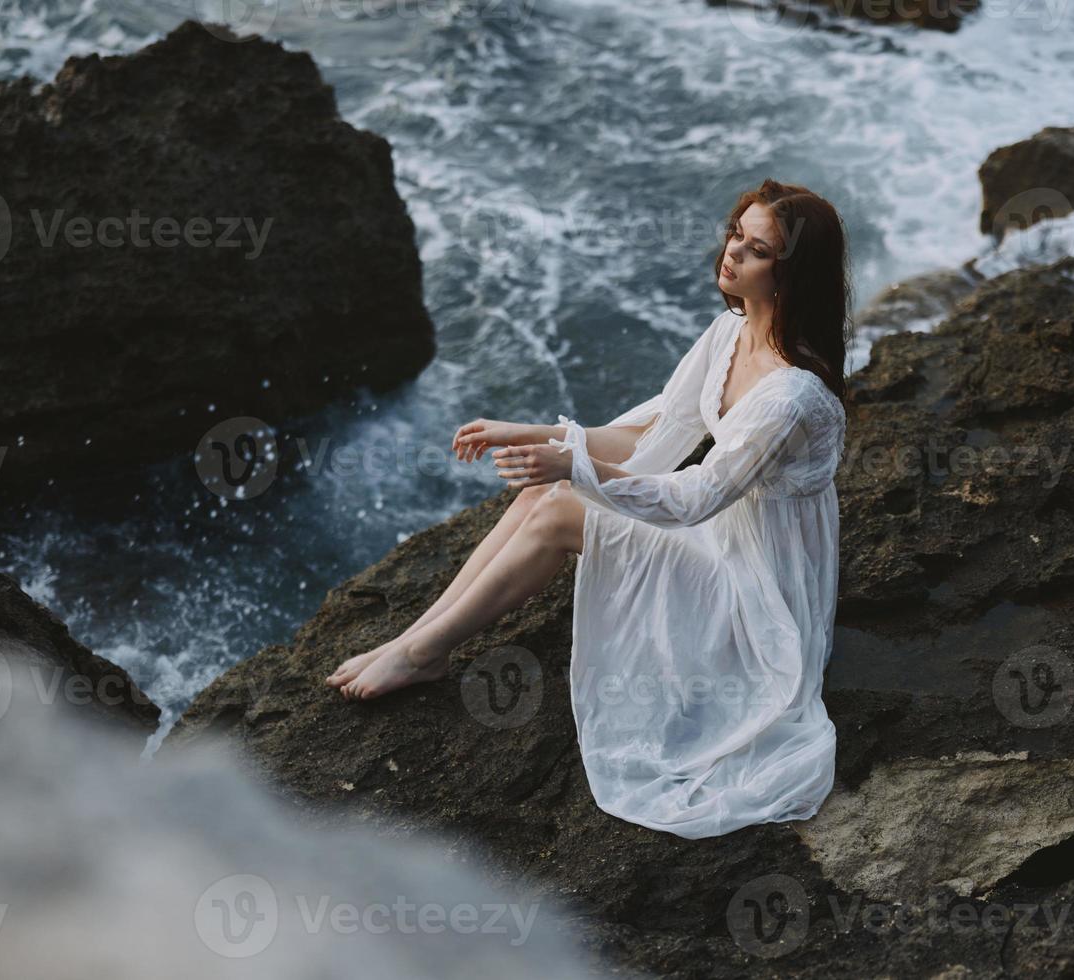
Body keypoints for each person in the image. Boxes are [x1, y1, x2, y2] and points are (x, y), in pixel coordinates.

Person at [325, 178, 851, 838]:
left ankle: (421, 652)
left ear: (792, 271)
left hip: (759, 588)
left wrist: (574, 467)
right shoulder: (729, 332)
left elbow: (694, 497)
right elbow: (651, 436)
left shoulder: (792, 396)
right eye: (734, 236)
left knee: (558, 509)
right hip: (723, 540)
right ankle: (414, 641)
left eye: (759, 249)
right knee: (545, 490)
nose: (733, 254)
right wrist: (534, 434)